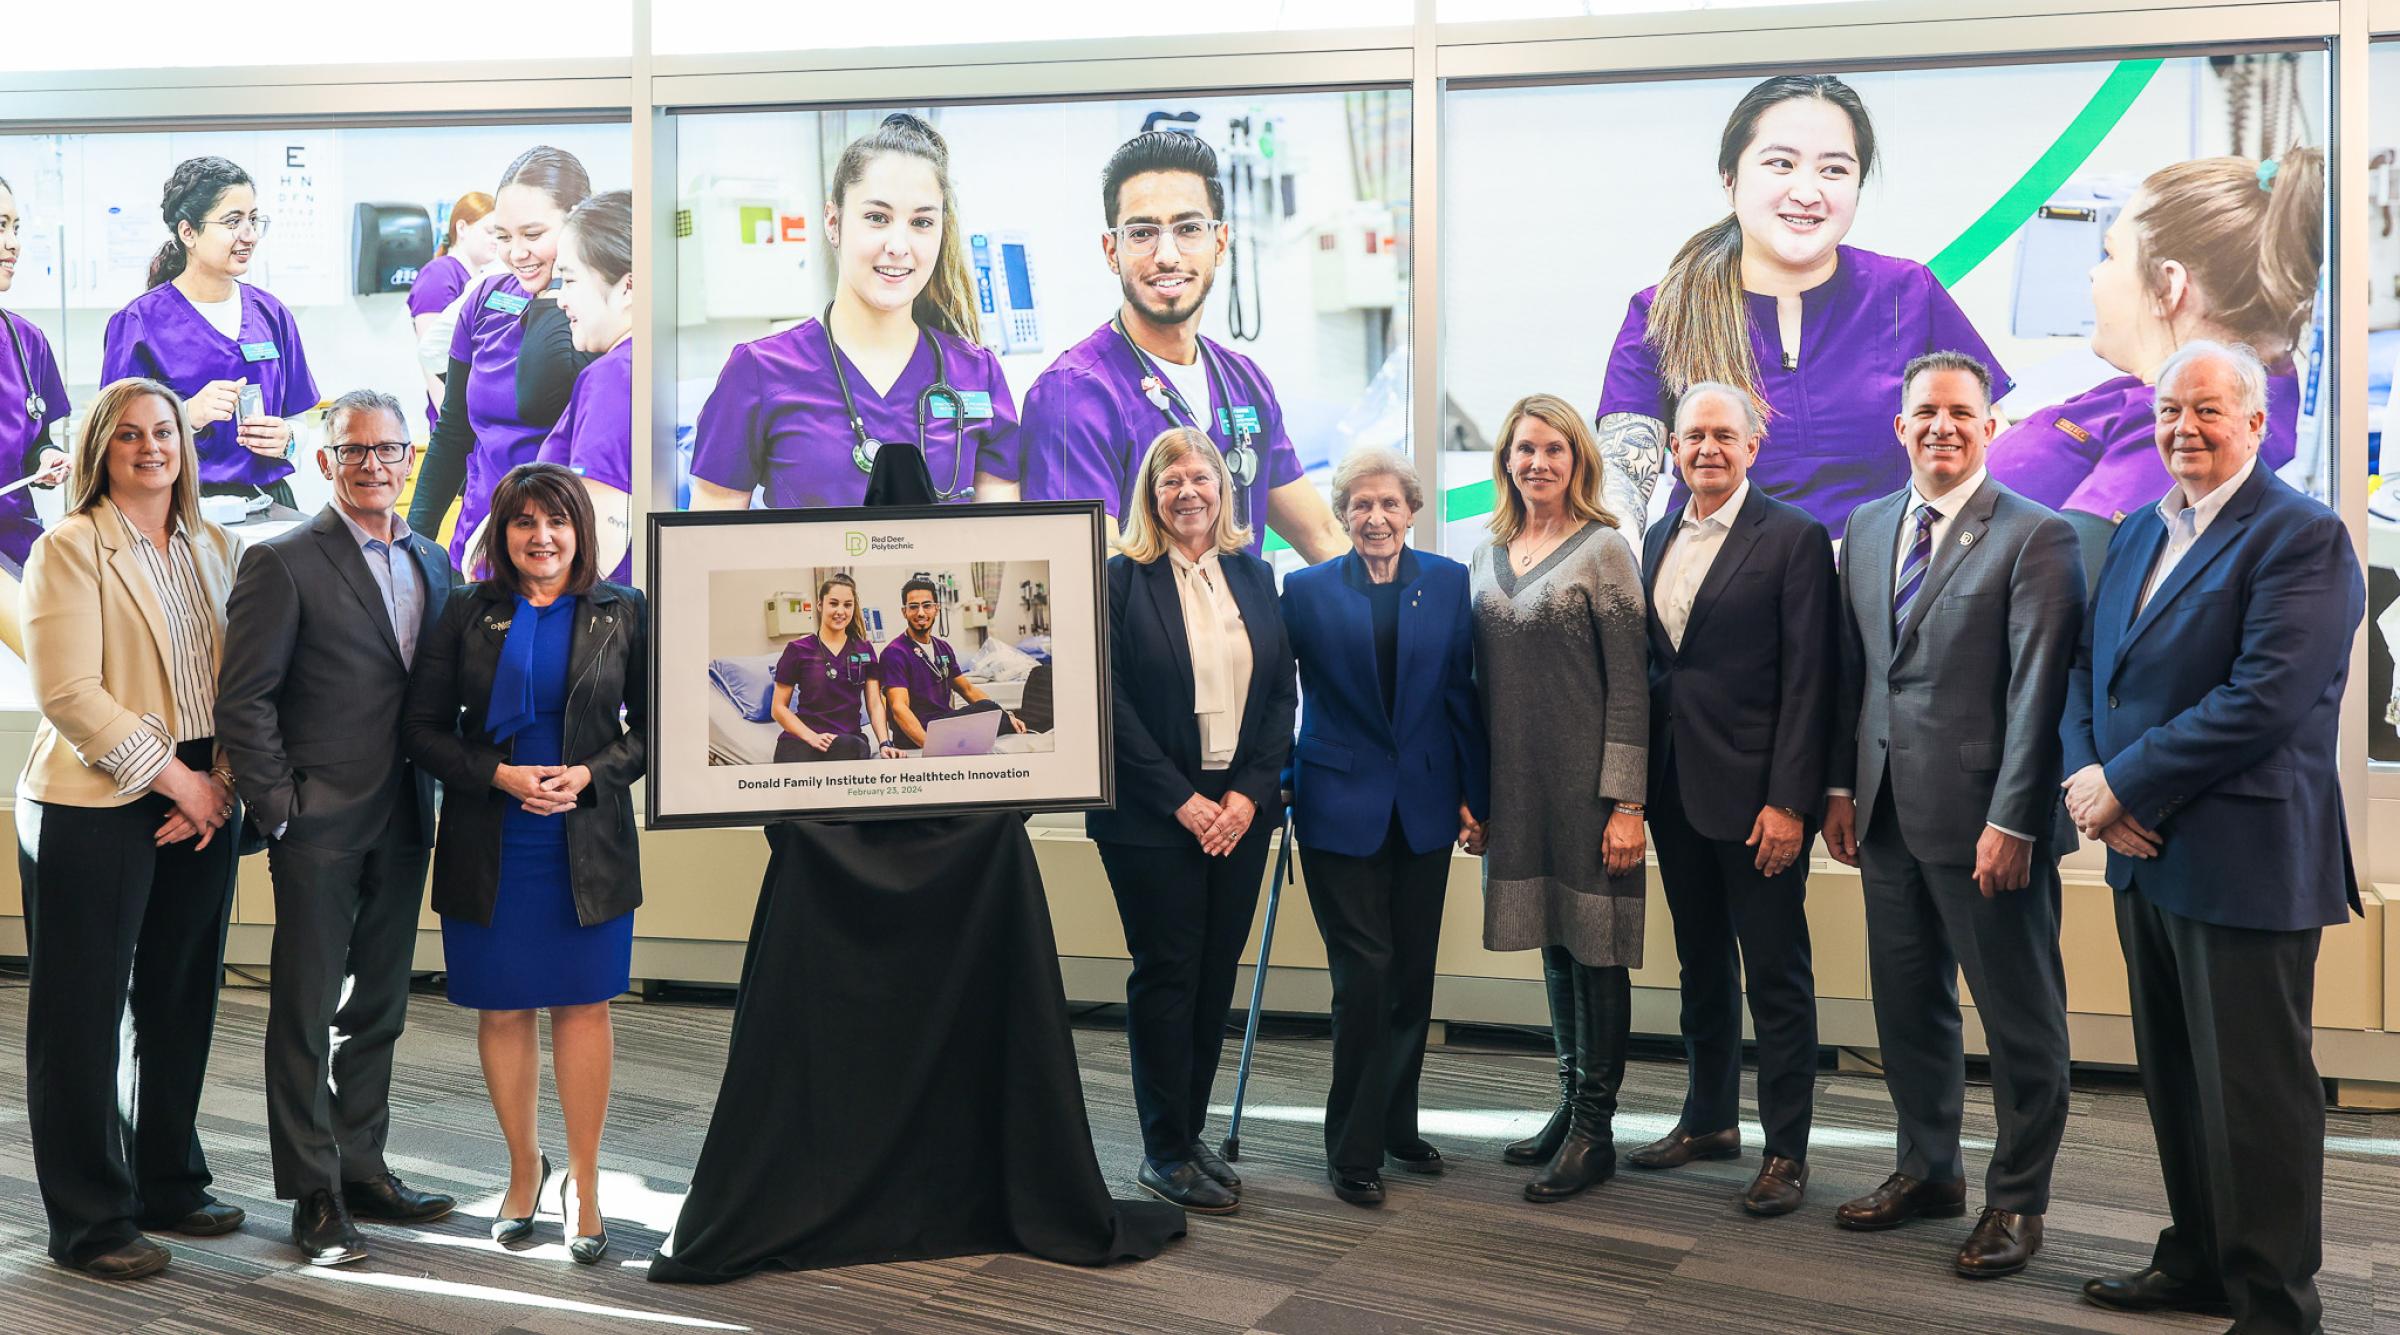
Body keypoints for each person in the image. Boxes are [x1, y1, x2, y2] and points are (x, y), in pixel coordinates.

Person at [2064, 340, 2363, 1334]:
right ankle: (2196, 1260)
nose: (2183, 430)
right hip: (2142, 855)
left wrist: (2126, 783)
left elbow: (2263, 701)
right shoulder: (2141, 530)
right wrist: (2086, 780)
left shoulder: (2301, 535)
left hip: (2243, 860)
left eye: (2205, 412)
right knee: (2181, 1081)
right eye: (2168, 413)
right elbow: (2088, 673)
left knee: (2256, 1100)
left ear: (2254, 423)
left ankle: (2277, 1307)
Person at [1822, 351, 2084, 1279]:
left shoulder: (2036, 534)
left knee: (2020, 1023)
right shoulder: (1866, 524)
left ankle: (2018, 1202)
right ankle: (1928, 1169)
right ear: (1900, 428)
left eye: (1960, 413)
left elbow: (2039, 695)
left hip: (1987, 828)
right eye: (1924, 412)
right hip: (1886, 816)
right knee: (1908, 1011)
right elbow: (1859, 674)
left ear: (1990, 425)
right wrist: (1842, 789)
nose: (1942, 426)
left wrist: (2014, 820)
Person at [215, 389, 458, 1266]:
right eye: (352, 451)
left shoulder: (437, 562)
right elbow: (244, 701)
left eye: (387, 450)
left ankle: (363, 1167)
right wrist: (282, 809)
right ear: (325, 462)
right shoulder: (281, 562)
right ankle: (312, 1192)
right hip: (317, 821)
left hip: (405, 813)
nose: (371, 465)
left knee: (380, 1006)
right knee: (306, 1008)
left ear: (409, 458)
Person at [17, 377, 244, 1280]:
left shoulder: (214, 544)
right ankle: (90, 1219)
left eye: (166, 432)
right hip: (96, 796)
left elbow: (242, 681)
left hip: (205, 787)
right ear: (98, 453)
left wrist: (217, 781)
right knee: (80, 1014)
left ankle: (167, 1181)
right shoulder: (69, 547)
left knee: (180, 993)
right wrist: (179, 780)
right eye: (130, 437)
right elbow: (69, 692)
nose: (152, 448)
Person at [401, 462, 648, 1263]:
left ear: (581, 530)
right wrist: (497, 774)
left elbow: (652, 729)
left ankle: (585, 1183)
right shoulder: (467, 611)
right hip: (490, 835)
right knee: (502, 1009)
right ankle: (521, 1170)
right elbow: (424, 730)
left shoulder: (623, 611)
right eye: (523, 522)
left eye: (557, 521)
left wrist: (590, 774)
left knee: (583, 1007)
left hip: (587, 839)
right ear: (502, 534)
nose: (541, 537)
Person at [1595, 74, 2009, 544]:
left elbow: (1993, 444)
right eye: (1780, 164)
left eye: (1834, 170)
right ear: (1729, 179)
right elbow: (1621, 483)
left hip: (1889, 590)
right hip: (1717, 588)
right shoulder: (1663, 311)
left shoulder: (1908, 292)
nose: (1808, 193)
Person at [1625, 381, 1835, 1216]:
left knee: (1777, 977)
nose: (1706, 449)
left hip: (1758, 804)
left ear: (1753, 445)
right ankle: (1709, 1117)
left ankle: (1787, 1150)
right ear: (1673, 448)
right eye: (1691, 437)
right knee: (1700, 964)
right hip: (1676, 791)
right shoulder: (1653, 537)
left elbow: (1811, 682)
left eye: (1722, 435)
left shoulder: (1792, 538)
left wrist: (1791, 802)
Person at [1089, 425, 1296, 1215]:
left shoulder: (1256, 573)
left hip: (1239, 812)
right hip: (1151, 814)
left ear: (1223, 489)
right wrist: (1184, 800)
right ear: (1151, 495)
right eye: (1169, 479)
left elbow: (1281, 693)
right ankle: (1161, 1148)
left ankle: (1190, 1130)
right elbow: (1111, 704)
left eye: (1200, 477)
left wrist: (1247, 794)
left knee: (1214, 975)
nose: (1187, 491)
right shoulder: (1120, 580)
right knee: (1168, 973)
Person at [1280, 448, 1486, 1207]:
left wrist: (1476, 794)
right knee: (1363, 976)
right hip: (1336, 808)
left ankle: (1399, 1124)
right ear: (1341, 513)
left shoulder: (1448, 581)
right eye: (1360, 504)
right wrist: (1277, 782)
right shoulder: (1302, 591)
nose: (1375, 517)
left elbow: (1461, 695)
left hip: (1425, 806)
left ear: (1413, 510)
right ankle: (1353, 1148)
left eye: (1389, 504)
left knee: (1410, 979)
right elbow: (1276, 697)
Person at [1466, 393, 1648, 1204]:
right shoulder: (1486, 552)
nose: (1538, 462)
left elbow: (1632, 686)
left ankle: (1595, 1131)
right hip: (1518, 789)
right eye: (1524, 448)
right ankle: (1569, 1101)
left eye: (1555, 450)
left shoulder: (1605, 549)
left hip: (1590, 792)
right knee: (1552, 943)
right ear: (1505, 459)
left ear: (1578, 461)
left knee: (1597, 951)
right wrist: (1475, 795)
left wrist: (1628, 803)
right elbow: (1474, 685)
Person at [1019, 131, 1347, 562]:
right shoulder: (1072, 396)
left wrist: (1388, 614)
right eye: (1142, 233)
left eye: (1189, 228)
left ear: (1221, 242)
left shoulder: (1244, 383)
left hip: (1246, 628)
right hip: (1148, 631)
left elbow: (1322, 536)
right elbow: (1091, 567)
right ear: (1111, 251)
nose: (1167, 255)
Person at [1989, 149, 2324, 546]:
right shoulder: (2239, 395)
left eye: (2110, 254)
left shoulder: (2179, 433)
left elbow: (2071, 585)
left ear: (2168, 287)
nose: (2094, 272)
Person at [690, 114, 1018, 511]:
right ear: (834, 222)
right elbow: (711, 550)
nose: (898, 245)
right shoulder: (758, 371)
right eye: (877, 218)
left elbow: (1002, 543)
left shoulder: (977, 373)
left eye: (921, 222)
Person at [407, 146, 593, 568]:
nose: (516, 254)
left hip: (560, 558)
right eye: (504, 237)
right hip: (480, 544)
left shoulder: (600, 318)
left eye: (533, 235)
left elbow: (537, 398)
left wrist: (555, 289)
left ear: (578, 220)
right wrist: (413, 541)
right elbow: (453, 432)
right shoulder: (488, 299)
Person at [102, 156, 320, 506]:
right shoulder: (139, 322)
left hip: (269, 503)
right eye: (233, 221)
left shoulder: (272, 314)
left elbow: (297, 415)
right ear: (188, 232)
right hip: (178, 508)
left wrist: (290, 437)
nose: (248, 235)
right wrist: (186, 416)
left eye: (253, 219)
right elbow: (113, 438)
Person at [536, 190, 635, 582]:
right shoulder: (654, 367)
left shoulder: (614, 377)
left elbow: (599, 546)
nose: (560, 298)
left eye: (570, 279)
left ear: (628, 287)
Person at [0, 172, 72, 576]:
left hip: (17, 551)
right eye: (0, 227)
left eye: (15, 227)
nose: (13, 244)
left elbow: (35, 442)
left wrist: (47, 459)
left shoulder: (27, 341)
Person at [878, 576, 1025, 748]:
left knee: (993, 712)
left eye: (927, 606)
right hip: (916, 733)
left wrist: (1007, 715)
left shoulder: (943, 648)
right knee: (989, 712)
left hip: (944, 723)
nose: (920, 613)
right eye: (913, 607)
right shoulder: (895, 653)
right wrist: (929, 745)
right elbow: (899, 708)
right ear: (904, 611)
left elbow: (968, 689)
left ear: (936, 609)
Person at [770, 572, 902, 762]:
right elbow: (778, 708)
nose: (841, 611)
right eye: (833, 603)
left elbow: (874, 704)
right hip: (802, 739)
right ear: (820, 605)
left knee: (849, 747)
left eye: (847, 605)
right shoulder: (798, 650)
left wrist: (884, 743)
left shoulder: (864, 649)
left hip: (848, 740)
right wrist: (812, 737)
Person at [406, 189, 497, 433]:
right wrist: (452, 420)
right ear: (462, 228)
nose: (496, 241)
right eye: (490, 232)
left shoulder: (481, 280)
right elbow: (431, 357)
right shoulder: (439, 274)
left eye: (501, 234)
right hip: (456, 420)